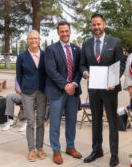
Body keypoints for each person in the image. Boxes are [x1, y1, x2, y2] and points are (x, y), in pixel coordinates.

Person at [80, 13, 125, 167]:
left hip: (110, 89)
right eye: (93, 24)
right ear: (91, 26)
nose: (96, 27)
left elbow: (121, 64)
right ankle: (96, 150)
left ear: (104, 24)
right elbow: (82, 64)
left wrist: (114, 80)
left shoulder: (115, 42)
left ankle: (114, 154)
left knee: (112, 122)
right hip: (94, 90)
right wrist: (85, 73)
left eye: (98, 24)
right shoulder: (86, 44)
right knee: (96, 122)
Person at [44, 21, 82, 165]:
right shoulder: (51, 49)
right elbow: (51, 70)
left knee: (72, 121)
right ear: (58, 33)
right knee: (55, 122)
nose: (65, 34)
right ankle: (56, 150)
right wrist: (65, 85)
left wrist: (74, 84)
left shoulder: (77, 49)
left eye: (67, 31)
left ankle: (70, 147)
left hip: (73, 92)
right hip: (57, 91)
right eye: (62, 31)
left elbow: (79, 69)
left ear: (70, 31)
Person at [16, 30, 46, 162]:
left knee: (40, 121)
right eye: (31, 38)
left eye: (36, 38)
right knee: (30, 122)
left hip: (42, 92)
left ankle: (40, 148)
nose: (34, 41)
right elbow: (19, 75)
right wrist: (23, 88)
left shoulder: (46, 55)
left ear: (40, 40)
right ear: (27, 40)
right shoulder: (21, 57)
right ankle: (31, 149)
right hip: (27, 92)